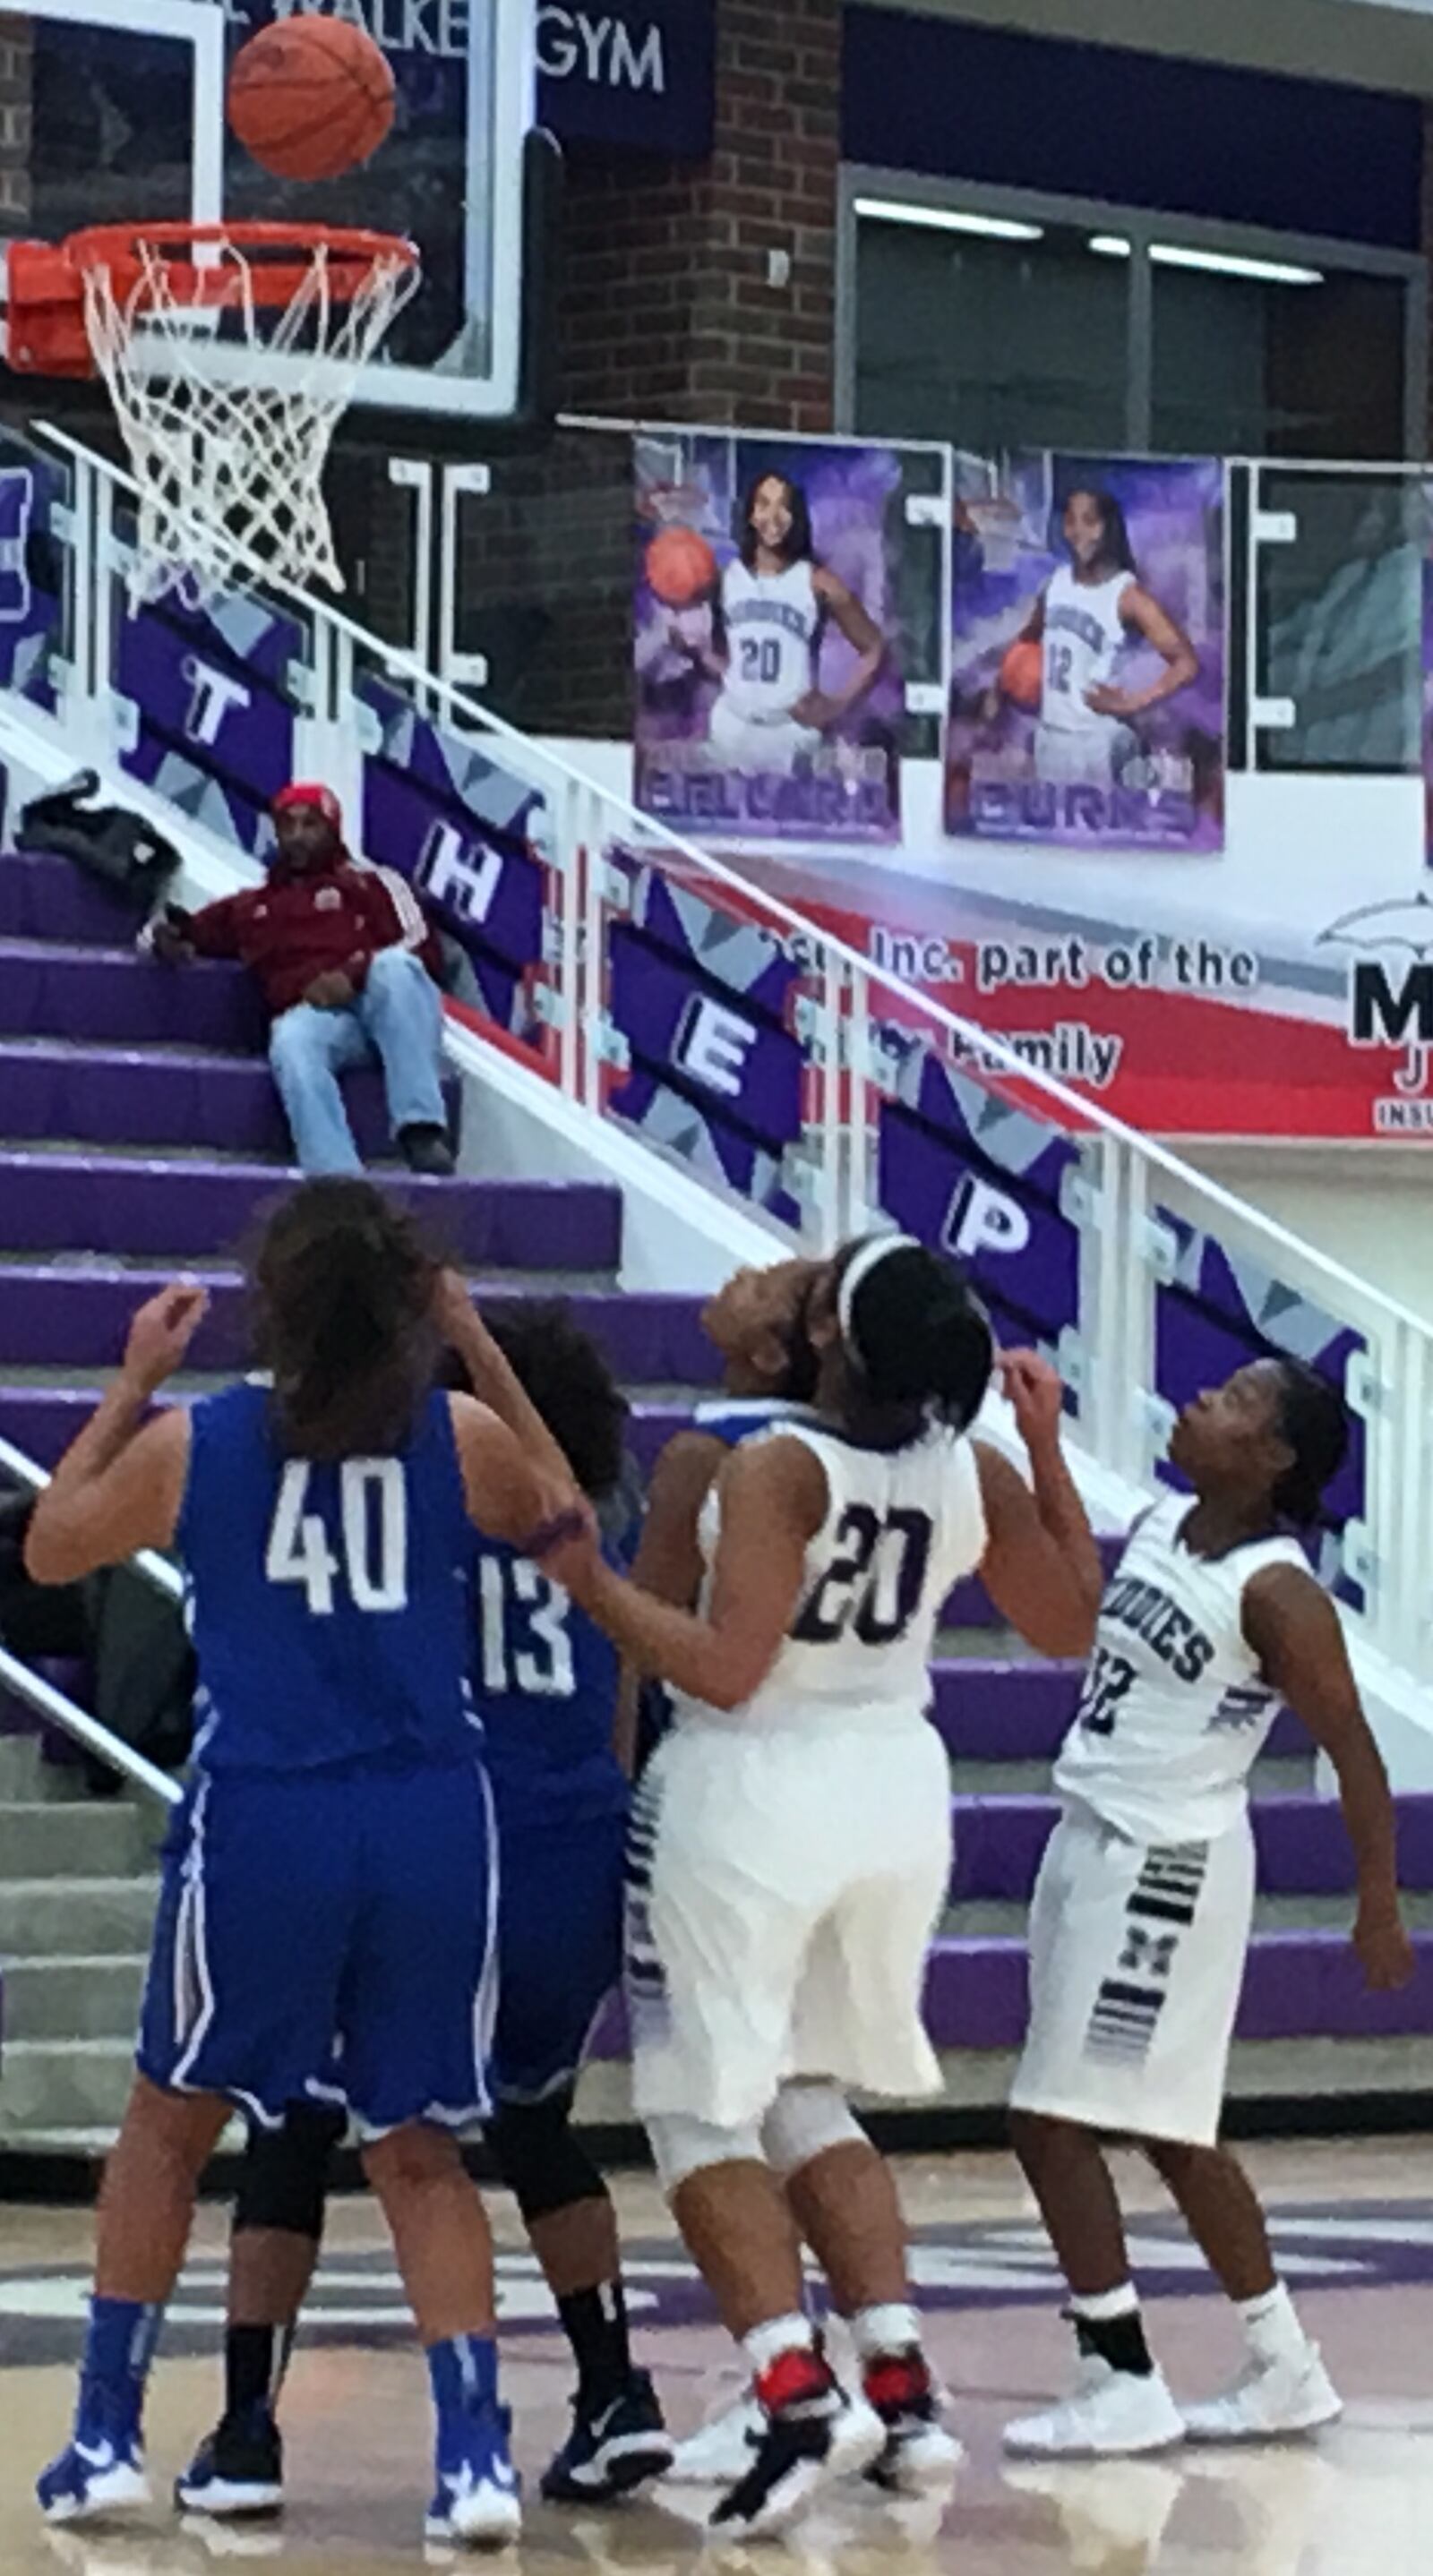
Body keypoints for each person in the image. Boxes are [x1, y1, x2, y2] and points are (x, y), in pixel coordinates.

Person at [25, 1180, 580, 2546]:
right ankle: (472, 2463)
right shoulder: (455, 1433)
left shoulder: (196, 1440)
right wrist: (483, 1346)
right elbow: (568, 1507)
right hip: (430, 1820)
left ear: (272, 1300)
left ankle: (104, 2434)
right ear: (408, 1303)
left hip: (269, 1817)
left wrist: (128, 1380)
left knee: (169, 2122)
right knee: (419, 2149)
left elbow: (49, 1546)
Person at [536, 1233, 1104, 2534]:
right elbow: (1072, 1622)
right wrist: (1049, 1451)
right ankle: (898, 2384)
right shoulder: (971, 1464)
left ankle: (795, 2391)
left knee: (692, 2109)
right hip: (897, 1791)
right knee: (805, 2092)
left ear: (830, 1340)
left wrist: (594, 1585)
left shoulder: (770, 1462)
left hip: (753, 1791)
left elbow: (720, 1668)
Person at [175, 1298, 674, 2520]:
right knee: (538, 2121)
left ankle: (248, 2426)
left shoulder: (444, 1494)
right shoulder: (606, 1512)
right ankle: (614, 2391)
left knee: (301, 2126)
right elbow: (623, 1700)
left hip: (450, 1843)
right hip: (581, 1837)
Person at [1001, 1357, 1414, 2463]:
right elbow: (1084, 1598)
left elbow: (1358, 1759)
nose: (1196, 1402)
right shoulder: (1163, 1522)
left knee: (1049, 2120)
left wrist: (1377, 1905)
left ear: (1273, 1457)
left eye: (1232, 1401)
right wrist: (1043, 1444)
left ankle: (1120, 2373)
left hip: (1165, 1864)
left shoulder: (1278, 1595)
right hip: (1087, 1836)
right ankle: (1283, 2363)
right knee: (1173, 2132)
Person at [150, 782, 455, 1178]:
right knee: (291, 1038)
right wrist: (164, 937)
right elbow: (186, 929)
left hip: (392, 1012)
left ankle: (421, 1131)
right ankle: (337, 1182)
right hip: (328, 1025)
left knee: (394, 968)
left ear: (332, 829)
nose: (297, 837)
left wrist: (350, 975)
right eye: (287, 826)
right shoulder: (253, 907)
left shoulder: (374, 882)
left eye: (309, 825)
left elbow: (424, 947)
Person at [677, 473, 886, 777]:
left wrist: (835, 706)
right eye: (763, 504)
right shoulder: (724, 579)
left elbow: (874, 648)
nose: (773, 516)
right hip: (732, 727)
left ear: (797, 516)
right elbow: (726, 660)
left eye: (783, 507)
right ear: (749, 513)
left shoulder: (817, 582)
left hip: (791, 733)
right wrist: (695, 651)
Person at [1010, 486, 1198, 791]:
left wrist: (1133, 703)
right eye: (1070, 520)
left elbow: (1186, 663)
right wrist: (1007, 683)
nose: (1078, 531)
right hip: (1051, 736)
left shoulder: (1125, 594)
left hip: (1097, 739)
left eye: (1089, 521)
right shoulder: (1056, 584)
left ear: (1108, 528)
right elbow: (1027, 641)